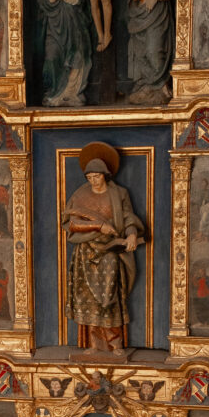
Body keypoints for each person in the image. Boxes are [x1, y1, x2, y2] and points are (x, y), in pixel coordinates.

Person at [63, 142, 143, 350]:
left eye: (96, 177)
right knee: (87, 299)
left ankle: (115, 343)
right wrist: (98, 225)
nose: (93, 181)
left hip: (109, 251)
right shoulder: (80, 194)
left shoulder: (118, 194)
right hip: (85, 252)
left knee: (108, 298)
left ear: (105, 174)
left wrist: (132, 234)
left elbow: (128, 218)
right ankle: (95, 344)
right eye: (89, 178)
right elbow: (69, 223)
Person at [38, 0, 94, 107]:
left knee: (75, 58)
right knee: (51, 58)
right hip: (53, 27)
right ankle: (54, 92)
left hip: (72, 26)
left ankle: (71, 92)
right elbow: (43, 1)